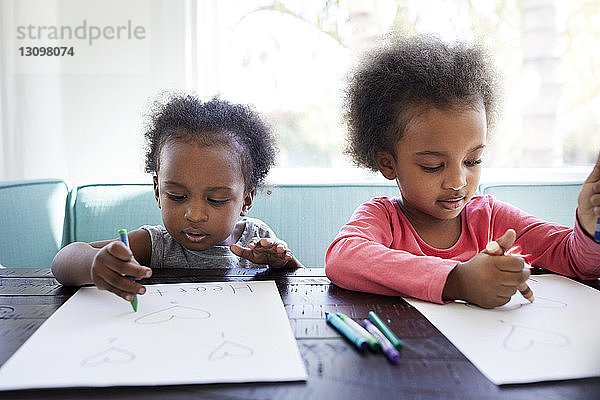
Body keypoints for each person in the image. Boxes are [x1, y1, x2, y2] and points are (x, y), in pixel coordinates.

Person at [325, 34, 600, 309]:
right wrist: (458, 280)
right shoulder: (383, 219)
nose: (458, 182)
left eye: (473, 160)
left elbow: (575, 260)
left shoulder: (491, 219)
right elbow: (342, 258)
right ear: (388, 163)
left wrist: (592, 226)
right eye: (433, 166)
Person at [52, 95, 303, 302]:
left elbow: (304, 285)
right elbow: (62, 263)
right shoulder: (155, 245)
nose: (194, 214)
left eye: (216, 199)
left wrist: (282, 264)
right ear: (158, 192)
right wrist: (95, 263)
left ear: (246, 200)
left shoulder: (257, 239)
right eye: (177, 195)